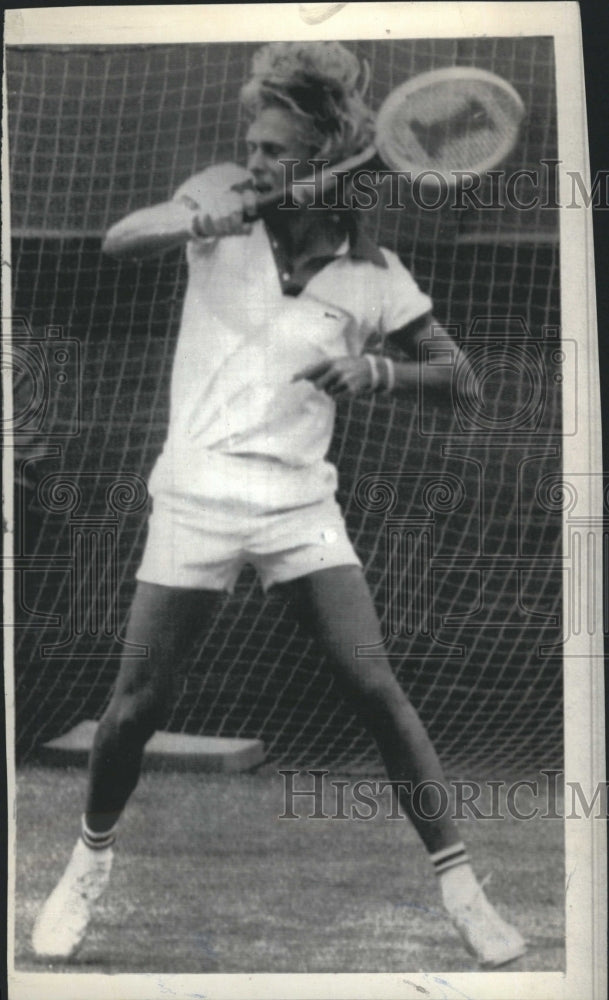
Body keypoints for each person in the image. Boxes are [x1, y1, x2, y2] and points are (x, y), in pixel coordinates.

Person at [32, 41, 526, 968]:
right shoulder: (216, 191)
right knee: (135, 705)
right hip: (196, 494)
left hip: (300, 508)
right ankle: (86, 870)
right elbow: (117, 240)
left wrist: (376, 367)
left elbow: (457, 379)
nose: (254, 160)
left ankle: (465, 896)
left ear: (322, 157)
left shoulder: (374, 274)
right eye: (250, 146)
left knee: (376, 688)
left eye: (273, 151)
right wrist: (201, 217)